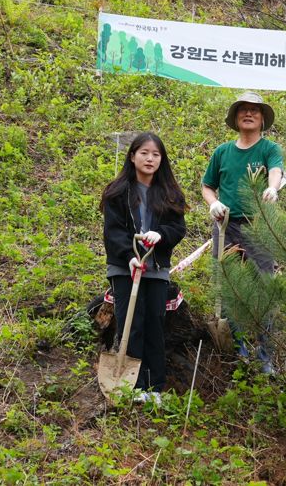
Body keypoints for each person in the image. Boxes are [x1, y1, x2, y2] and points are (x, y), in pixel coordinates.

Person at [101, 132, 188, 404]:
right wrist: (128, 255)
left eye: (156, 154)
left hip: (156, 268)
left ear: (162, 160)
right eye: (144, 153)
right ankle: (133, 385)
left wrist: (160, 234)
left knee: (155, 324)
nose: (150, 159)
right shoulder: (117, 192)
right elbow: (112, 231)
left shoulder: (170, 194)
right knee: (131, 323)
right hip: (125, 268)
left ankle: (154, 387)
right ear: (132, 156)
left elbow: (178, 228)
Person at [201, 91, 283, 375]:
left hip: (259, 225)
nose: (249, 114)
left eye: (255, 111)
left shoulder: (269, 149)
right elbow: (207, 185)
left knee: (265, 287)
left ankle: (265, 354)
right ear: (235, 118)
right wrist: (214, 203)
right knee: (230, 285)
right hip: (226, 226)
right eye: (243, 110)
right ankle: (237, 349)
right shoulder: (222, 152)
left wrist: (272, 187)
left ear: (262, 119)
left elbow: (276, 170)